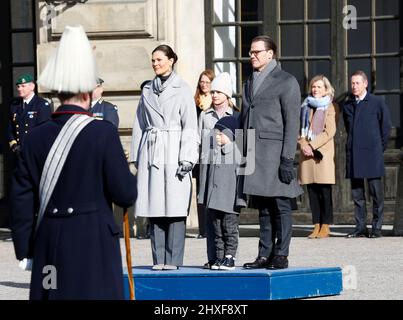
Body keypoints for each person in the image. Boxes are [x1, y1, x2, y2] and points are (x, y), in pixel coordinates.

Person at [10, 25, 137, 300]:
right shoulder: (102, 133)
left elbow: (20, 199)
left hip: (49, 246)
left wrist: (25, 250)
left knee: (52, 294)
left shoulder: (33, 138)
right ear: (89, 94)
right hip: (95, 247)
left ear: (58, 93)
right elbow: (125, 193)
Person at [130, 44, 198, 270]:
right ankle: (158, 260)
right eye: (153, 60)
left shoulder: (183, 89)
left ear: (171, 60)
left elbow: (190, 125)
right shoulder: (147, 90)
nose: (155, 63)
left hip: (174, 149)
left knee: (175, 209)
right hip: (152, 152)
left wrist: (188, 157)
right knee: (154, 207)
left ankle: (174, 260)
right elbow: (139, 125)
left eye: (159, 59)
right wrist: (137, 157)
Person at [241, 35, 302, 270]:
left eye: (257, 52)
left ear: (270, 54)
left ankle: (281, 253)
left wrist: (288, 158)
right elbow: (245, 118)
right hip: (256, 155)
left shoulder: (286, 81)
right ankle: (263, 254)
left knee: (281, 207)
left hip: (276, 155)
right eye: (250, 52)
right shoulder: (249, 81)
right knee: (263, 209)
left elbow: (292, 122)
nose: (252, 56)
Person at [197, 72, 240, 269]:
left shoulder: (237, 117)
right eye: (212, 91)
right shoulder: (205, 116)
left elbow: (245, 149)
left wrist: (229, 144)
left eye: (218, 91)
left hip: (230, 175)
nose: (214, 95)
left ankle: (229, 256)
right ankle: (215, 256)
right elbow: (198, 142)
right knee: (212, 219)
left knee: (228, 222)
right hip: (209, 170)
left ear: (227, 94)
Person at [343, 70, 391, 238]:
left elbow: (385, 128)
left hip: (372, 154)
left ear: (365, 84)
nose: (354, 86)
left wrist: (378, 148)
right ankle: (360, 227)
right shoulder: (348, 105)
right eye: (352, 83)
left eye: (357, 83)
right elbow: (349, 129)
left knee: (376, 194)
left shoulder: (377, 102)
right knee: (357, 195)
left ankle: (376, 227)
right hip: (354, 154)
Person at [199, 115, 245, 270]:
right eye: (216, 133)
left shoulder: (236, 154)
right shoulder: (213, 152)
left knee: (230, 230)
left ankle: (230, 257)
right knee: (217, 231)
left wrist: (240, 200)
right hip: (215, 202)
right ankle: (219, 257)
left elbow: (241, 179)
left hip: (229, 201)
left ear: (231, 135)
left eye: (221, 133)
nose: (217, 136)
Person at [298, 75, 339, 239]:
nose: (315, 89)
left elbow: (330, 131)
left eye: (319, 87)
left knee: (324, 192)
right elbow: (299, 129)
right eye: (314, 87)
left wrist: (312, 146)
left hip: (322, 154)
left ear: (326, 89)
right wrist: (303, 145)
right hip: (307, 156)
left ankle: (326, 225)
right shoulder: (305, 106)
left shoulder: (330, 107)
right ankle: (316, 225)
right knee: (312, 193)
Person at [194, 69, 215, 239]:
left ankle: (213, 226)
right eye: (202, 82)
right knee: (201, 190)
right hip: (200, 152)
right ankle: (203, 229)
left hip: (214, 151)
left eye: (207, 82)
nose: (204, 85)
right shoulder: (194, 103)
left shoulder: (218, 103)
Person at [8, 74, 52, 156]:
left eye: (23, 86)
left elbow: (44, 131)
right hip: (18, 152)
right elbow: (10, 129)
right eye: (18, 86)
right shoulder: (14, 106)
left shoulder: (41, 104)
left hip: (34, 152)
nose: (19, 89)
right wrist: (14, 144)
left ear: (32, 87)